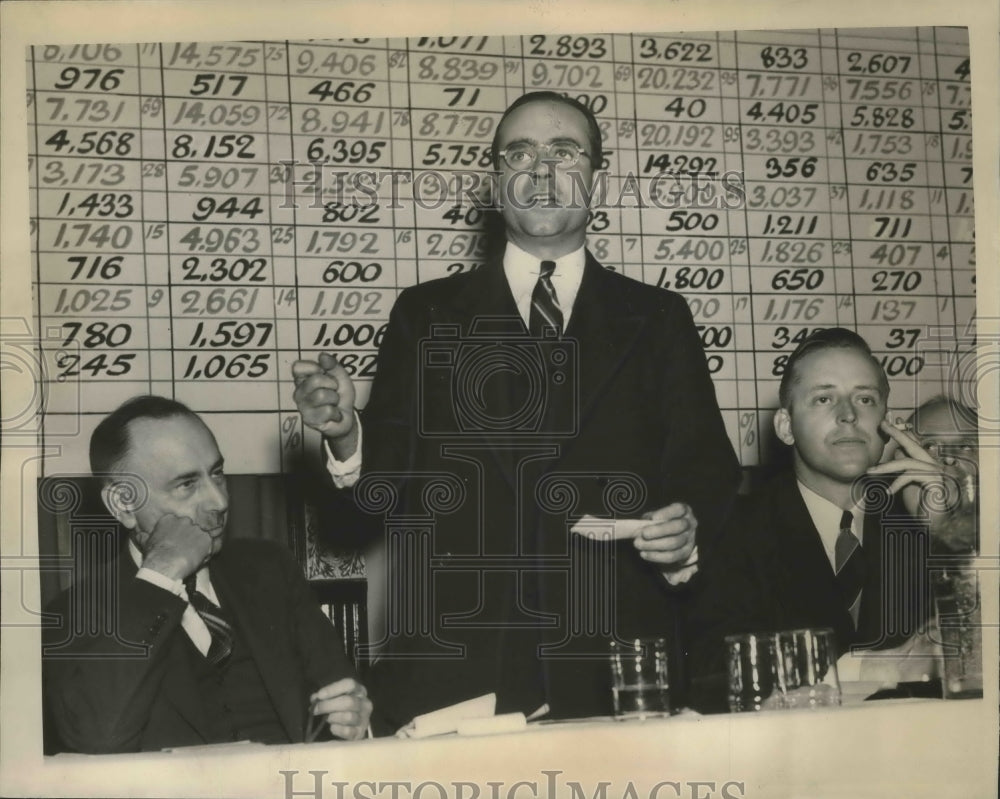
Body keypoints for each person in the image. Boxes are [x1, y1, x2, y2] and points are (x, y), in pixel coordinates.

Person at [293, 91, 740, 730]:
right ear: (497, 182)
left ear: (598, 182)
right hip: (459, 663)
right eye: (520, 153)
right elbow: (388, 486)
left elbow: (706, 473)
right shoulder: (425, 314)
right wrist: (346, 433)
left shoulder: (659, 318)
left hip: (617, 662)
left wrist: (683, 533)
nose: (541, 169)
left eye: (564, 152)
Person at [42, 396, 372, 754]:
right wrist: (161, 575)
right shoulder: (74, 613)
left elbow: (342, 702)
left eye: (217, 473)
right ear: (123, 503)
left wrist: (354, 721)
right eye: (187, 484)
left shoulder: (269, 570)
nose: (218, 501)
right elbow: (96, 738)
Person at [685, 328, 933, 702]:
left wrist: (957, 533)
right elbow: (712, 674)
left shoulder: (929, 525)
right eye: (823, 399)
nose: (848, 415)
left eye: (865, 399)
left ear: (888, 424)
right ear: (786, 427)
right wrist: (874, 670)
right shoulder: (730, 530)